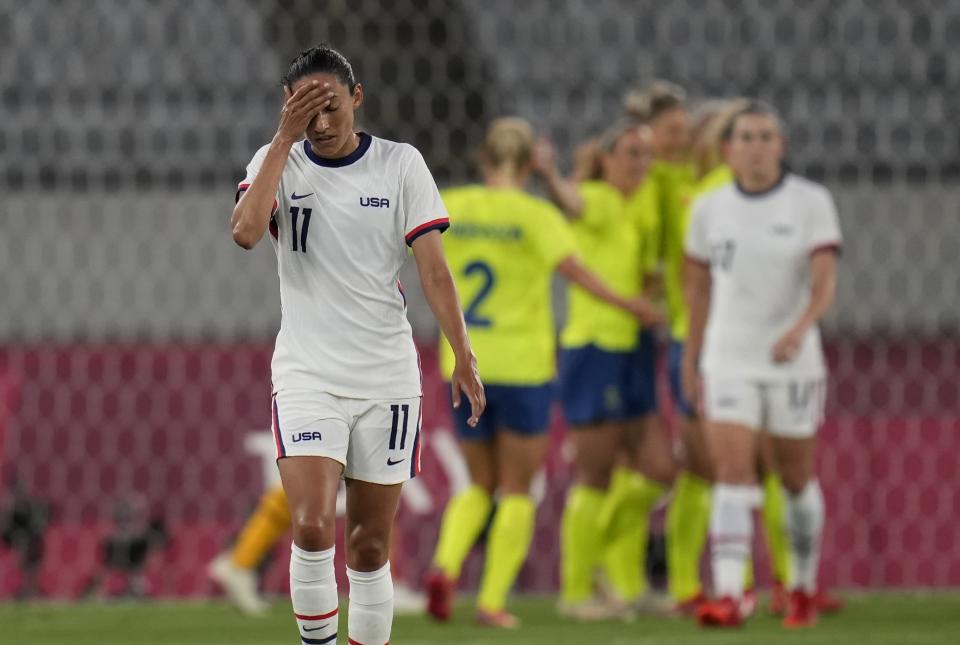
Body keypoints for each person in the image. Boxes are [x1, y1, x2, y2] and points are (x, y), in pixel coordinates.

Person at [230, 44, 485, 645]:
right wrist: (282, 140)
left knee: (369, 547)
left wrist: (463, 354)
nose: (320, 123)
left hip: (386, 377)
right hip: (308, 375)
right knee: (314, 526)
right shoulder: (278, 160)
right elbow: (244, 233)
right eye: (304, 110)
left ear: (358, 97)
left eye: (331, 107)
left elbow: (435, 272)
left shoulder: (400, 165)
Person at [424, 118, 662, 628]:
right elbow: (576, 273)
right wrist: (630, 303)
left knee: (477, 483)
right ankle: (490, 601)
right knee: (516, 487)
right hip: (524, 366)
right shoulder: (535, 215)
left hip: (464, 362)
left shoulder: (449, 205)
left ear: (482, 160)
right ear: (531, 163)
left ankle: (444, 568)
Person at [682, 102, 841, 628]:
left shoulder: (810, 203)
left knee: (795, 478)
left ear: (781, 145)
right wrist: (693, 358)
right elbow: (698, 289)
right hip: (729, 358)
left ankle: (802, 585)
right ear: (727, 149)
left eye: (765, 136)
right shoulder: (708, 209)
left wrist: (800, 328)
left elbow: (823, 280)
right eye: (745, 136)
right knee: (731, 472)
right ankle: (731, 595)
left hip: (793, 362)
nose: (755, 145)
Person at [534, 121, 668, 619]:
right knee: (596, 474)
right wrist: (548, 174)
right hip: (593, 351)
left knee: (658, 471)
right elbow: (571, 200)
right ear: (607, 159)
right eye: (632, 154)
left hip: (633, 346)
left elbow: (645, 269)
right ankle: (576, 592)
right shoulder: (597, 196)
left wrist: (650, 290)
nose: (641, 164)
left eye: (647, 155)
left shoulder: (644, 204)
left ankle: (607, 565)